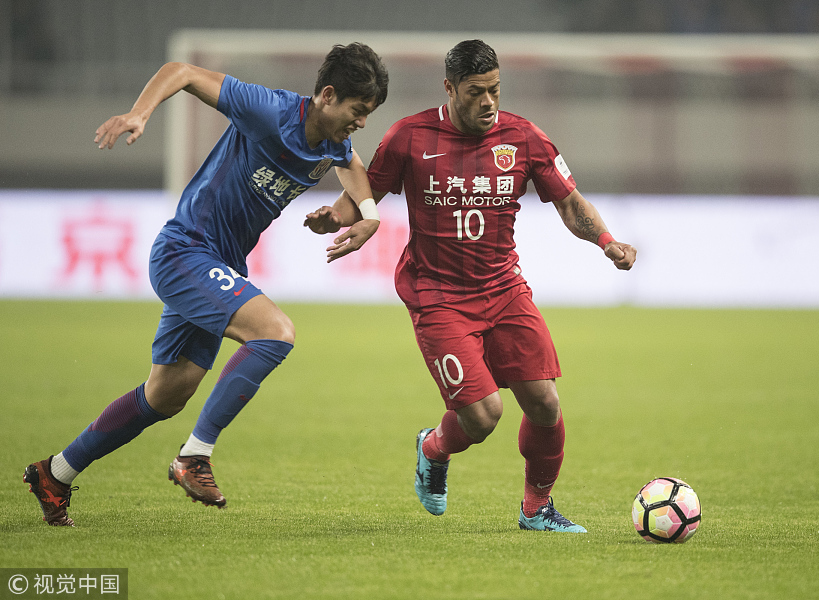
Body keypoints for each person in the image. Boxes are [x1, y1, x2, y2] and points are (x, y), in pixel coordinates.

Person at [23, 43, 389, 526]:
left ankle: (55, 473)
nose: (361, 122)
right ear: (326, 95)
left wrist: (365, 216)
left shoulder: (331, 141)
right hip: (186, 251)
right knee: (274, 332)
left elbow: (353, 166)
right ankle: (194, 456)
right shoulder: (270, 109)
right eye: (358, 111)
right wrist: (139, 114)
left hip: (220, 266)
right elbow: (182, 71)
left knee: (166, 395)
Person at [304, 39, 636, 532]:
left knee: (544, 403)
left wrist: (607, 241)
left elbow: (569, 203)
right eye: (476, 91)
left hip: (504, 290)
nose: (489, 102)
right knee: (483, 417)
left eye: (495, 90)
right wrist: (336, 216)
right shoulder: (409, 137)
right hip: (437, 295)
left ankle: (536, 509)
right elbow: (366, 190)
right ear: (450, 88)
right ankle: (433, 448)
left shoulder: (523, 138)